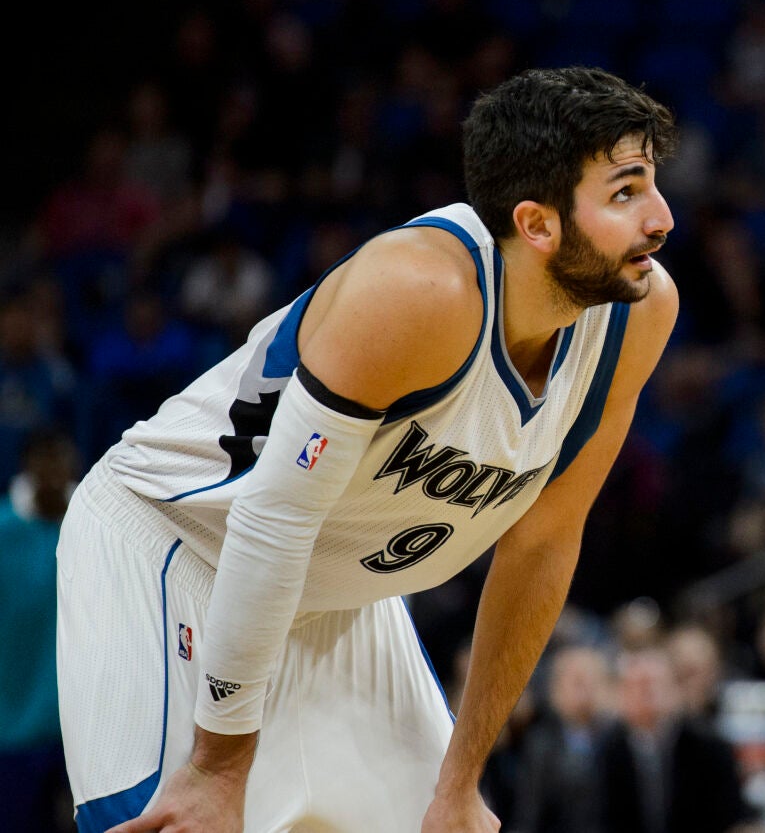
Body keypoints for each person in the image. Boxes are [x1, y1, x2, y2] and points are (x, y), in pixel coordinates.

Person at [58, 67, 681, 833]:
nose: (661, 218)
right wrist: (220, 766)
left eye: (651, 184)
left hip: (334, 591)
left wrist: (461, 778)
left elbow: (545, 539)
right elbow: (272, 520)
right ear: (538, 224)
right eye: (625, 193)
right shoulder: (420, 290)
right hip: (181, 545)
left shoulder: (639, 311)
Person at [0, 428, 78, 832]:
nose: (52, 470)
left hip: (81, 730)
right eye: (43, 460)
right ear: (26, 466)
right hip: (12, 730)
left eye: (60, 458)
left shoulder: (93, 526)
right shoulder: (4, 532)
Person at [599, 648, 751, 833]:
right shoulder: (605, 749)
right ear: (621, 694)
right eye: (638, 686)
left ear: (675, 690)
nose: (648, 694)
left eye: (655, 684)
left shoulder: (711, 747)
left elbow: (730, 817)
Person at [511, 645, 609, 833]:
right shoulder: (540, 744)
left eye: (594, 681)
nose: (587, 690)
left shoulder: (617, 739)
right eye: (578, 682)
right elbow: (529, 813)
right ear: (557, 689)